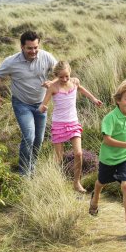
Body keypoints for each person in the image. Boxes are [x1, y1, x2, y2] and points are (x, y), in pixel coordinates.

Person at [0, 30, 57, 176]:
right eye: (29, 48)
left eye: (36, 47)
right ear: (22, 47)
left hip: (41, 104)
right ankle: (23, 173)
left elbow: (62, 73)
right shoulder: (11, 61)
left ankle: (31, 168)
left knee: (39, 140)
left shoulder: (47, 57)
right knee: (29, 136)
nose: (33, 51)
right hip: (21, 104)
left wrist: (53, 81)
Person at [39, 61, 103, 193]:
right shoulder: (53, 87)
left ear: (70, 73)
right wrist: (43, 108)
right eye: (61, 77)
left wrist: (94, 99)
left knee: (79, 153)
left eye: (67, 76)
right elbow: (43, 104)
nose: (64, 79)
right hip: (58, 124)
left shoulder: (74, 82)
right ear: (56, 75)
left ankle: (76, 182)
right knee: (59, 158)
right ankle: (57, 181)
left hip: (73, 122)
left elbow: (82, 89)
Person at [89, 78, 126, 232]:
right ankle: (95, 196)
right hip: (109, 157)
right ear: (118, 100)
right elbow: (107, 139)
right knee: (102, 182)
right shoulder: (109, 118)